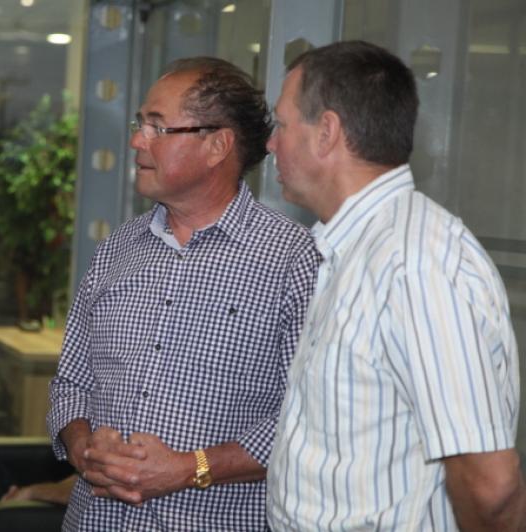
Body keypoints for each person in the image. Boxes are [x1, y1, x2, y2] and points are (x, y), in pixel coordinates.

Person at [47, 57, 320, 530]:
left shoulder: (295, 261)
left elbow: (309, 419)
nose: (137, 141)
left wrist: (191, 468)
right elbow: (71, 383)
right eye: (140, 124)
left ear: (216, 145)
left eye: (157, 127)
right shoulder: (117, 249)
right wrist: (83, 447)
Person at [265, 40, 526, 530]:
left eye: (281, 125)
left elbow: (490, 488)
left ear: (326, 132)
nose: (270, 144)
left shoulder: (414, 264)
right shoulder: (359, 247)